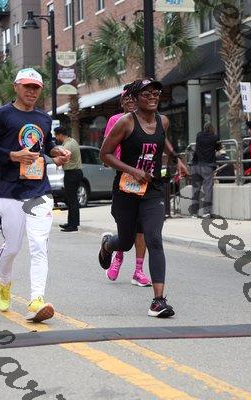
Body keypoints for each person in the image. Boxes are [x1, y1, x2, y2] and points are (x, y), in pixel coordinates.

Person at [0, 67, 71, 322]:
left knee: (39, 244)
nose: (32, 91)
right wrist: (12, 155)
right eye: (27, 86)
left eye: (36, 88)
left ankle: (36, 300)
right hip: (10, 189)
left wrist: (57, 153)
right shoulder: (1, 115)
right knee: (12, 248)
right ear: (16, 87)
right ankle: (3, 282)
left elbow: (46, 145)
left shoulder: (43, 118)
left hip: (38, 190)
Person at [98, 78, 189, 317]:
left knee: (154, 239)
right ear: (135, 98)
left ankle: (158, 301)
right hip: (126, 190)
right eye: (146, 94)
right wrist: (132, 170)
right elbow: (105, 154)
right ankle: (108, 244)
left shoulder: (163, 121)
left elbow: (162, 140)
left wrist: (177, 159)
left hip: (153, 189)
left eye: (155, 93)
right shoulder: (126, 123)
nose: (152, 97)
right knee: (126, 241)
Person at [102, 88, 151, 286]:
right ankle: (118, 257)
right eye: (126, 98)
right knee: (126, 227)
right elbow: (107, 149)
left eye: (133, 97)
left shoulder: (148, 120)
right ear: (121, 102)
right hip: (124, 177)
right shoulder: (116, 120)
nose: (130, 100)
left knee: (142, 228)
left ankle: (139, 271)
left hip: (144, 178)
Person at [54, 126, 82, 232]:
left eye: (56, 135)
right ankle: (71, 222)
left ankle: (73, 225)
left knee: (72, 200)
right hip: (76, 173)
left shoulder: (67, 146)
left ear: (60, 135)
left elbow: (59, 161)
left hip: (72, 173)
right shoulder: (72, 141)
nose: (56, 138)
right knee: (71, 199)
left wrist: (52, 157)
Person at [191, 122, 221, 218]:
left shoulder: (199, 135)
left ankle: (194, 213)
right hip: (207, 165)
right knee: (207, 189)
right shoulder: (214, 137)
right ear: (212, 129)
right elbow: (218, 148)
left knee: (195, 189)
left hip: (196, 165)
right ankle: (206, 212)